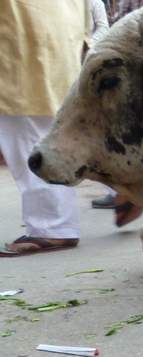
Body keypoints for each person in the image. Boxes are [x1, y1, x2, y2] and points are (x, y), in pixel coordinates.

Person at [0, 0, 90, 257]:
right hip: (55, 34)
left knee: (27, 131)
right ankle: (55, 224)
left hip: (21, 38)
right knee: (41, 128)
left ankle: (52, 227)